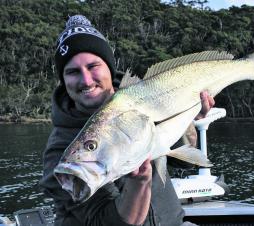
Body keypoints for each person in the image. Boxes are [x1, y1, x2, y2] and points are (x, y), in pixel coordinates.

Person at [39, 15, 215, 226]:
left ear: (109, 67)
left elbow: (181, 161)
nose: (86, 80)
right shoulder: (60, 153)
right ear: (64, 79)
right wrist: (138, 182)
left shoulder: (145, 100)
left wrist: (189, 118)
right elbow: (105, 222)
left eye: (93, 66)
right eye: (73, 71)